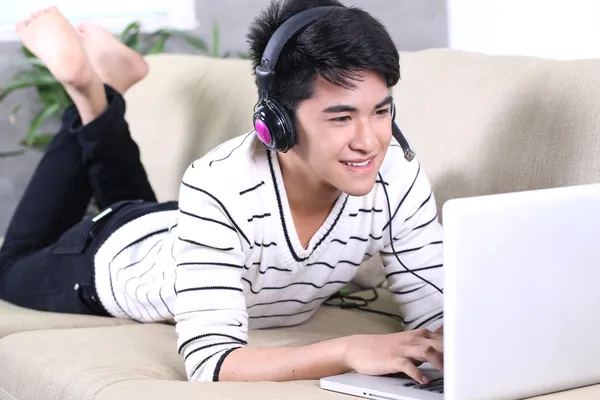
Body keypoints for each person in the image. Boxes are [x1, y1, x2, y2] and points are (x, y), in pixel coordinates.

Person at [0, 0, 445, 386]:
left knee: (133, 202)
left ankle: (109, 88)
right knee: (11, 263)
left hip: (176, 229)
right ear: (277, 122)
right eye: (341, 118)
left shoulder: (395, 176)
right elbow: (210, 361)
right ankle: (88, 89)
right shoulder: (220, 185)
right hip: (114, 257)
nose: (368, 141)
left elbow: (437, 314)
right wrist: (347, 351)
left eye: (381, 111)